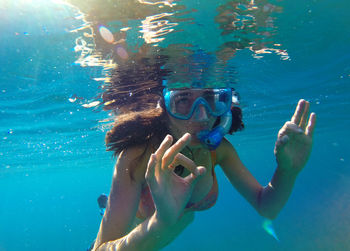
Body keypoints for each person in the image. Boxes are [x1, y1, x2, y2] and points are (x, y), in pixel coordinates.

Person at [88, 60, 316, 250]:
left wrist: (287, 171)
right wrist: (161, 222)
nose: (201, 114)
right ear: (164, 110)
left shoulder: (219, 150)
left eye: (209, 97)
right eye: (183, 100)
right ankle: (106, 206)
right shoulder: (137, 156)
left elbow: (266, 206)